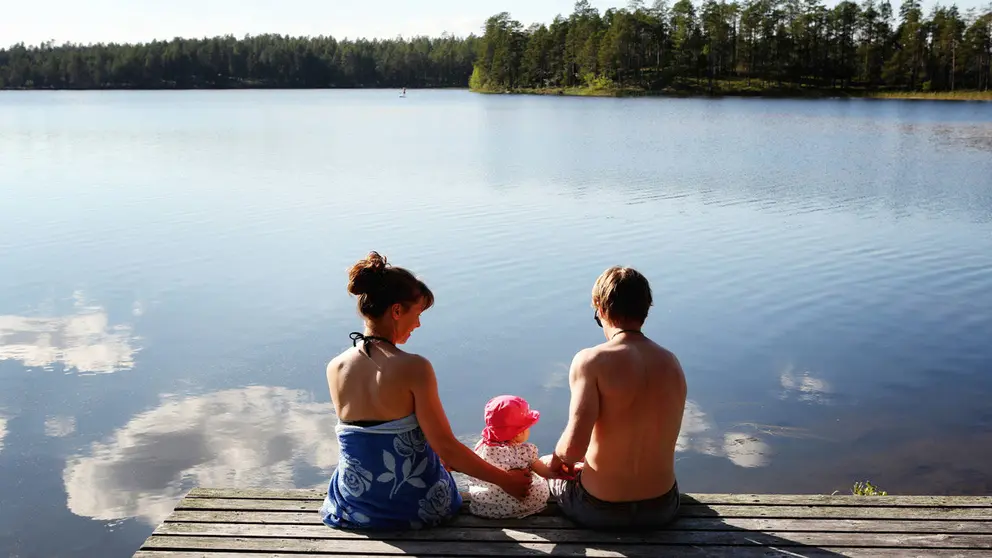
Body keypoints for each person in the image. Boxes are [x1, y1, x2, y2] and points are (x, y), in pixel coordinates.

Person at [320, 252, 532, 530]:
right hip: (417, 509)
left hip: (354, 506)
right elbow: (446, 446)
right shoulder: (414, 367)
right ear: (396, 311)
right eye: (417, 314)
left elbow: (374, 436)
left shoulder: (335, 367)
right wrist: (508, 482)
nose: (418, 324)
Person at [544, 266, 687, 530]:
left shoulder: (591, 361)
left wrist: (555, 460)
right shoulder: (671, 362)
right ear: (646, 308)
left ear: (600, 308)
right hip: (663, 506)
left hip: (599, 509)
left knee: (542, 465)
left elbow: (573, 449)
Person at [468, 395, 553, 519]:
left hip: (487, 506)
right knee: (541, 485)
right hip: (521, 501)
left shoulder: (482, 447)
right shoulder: (524, 451)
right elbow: (543, 471)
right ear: (519, 434)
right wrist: (557, 471)